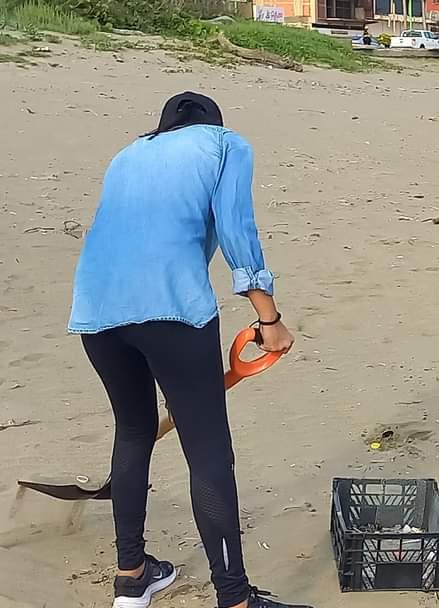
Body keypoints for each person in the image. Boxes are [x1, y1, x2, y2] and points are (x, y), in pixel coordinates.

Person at [67, 92, 308, 608]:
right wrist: (269, 318)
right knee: (208, 453)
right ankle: (235, 598)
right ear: (212, 125)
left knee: (133, 429)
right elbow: (237, 229)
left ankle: (131, 576)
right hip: (173, 309)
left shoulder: (129, 153)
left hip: (96, 310)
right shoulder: (225, 145)